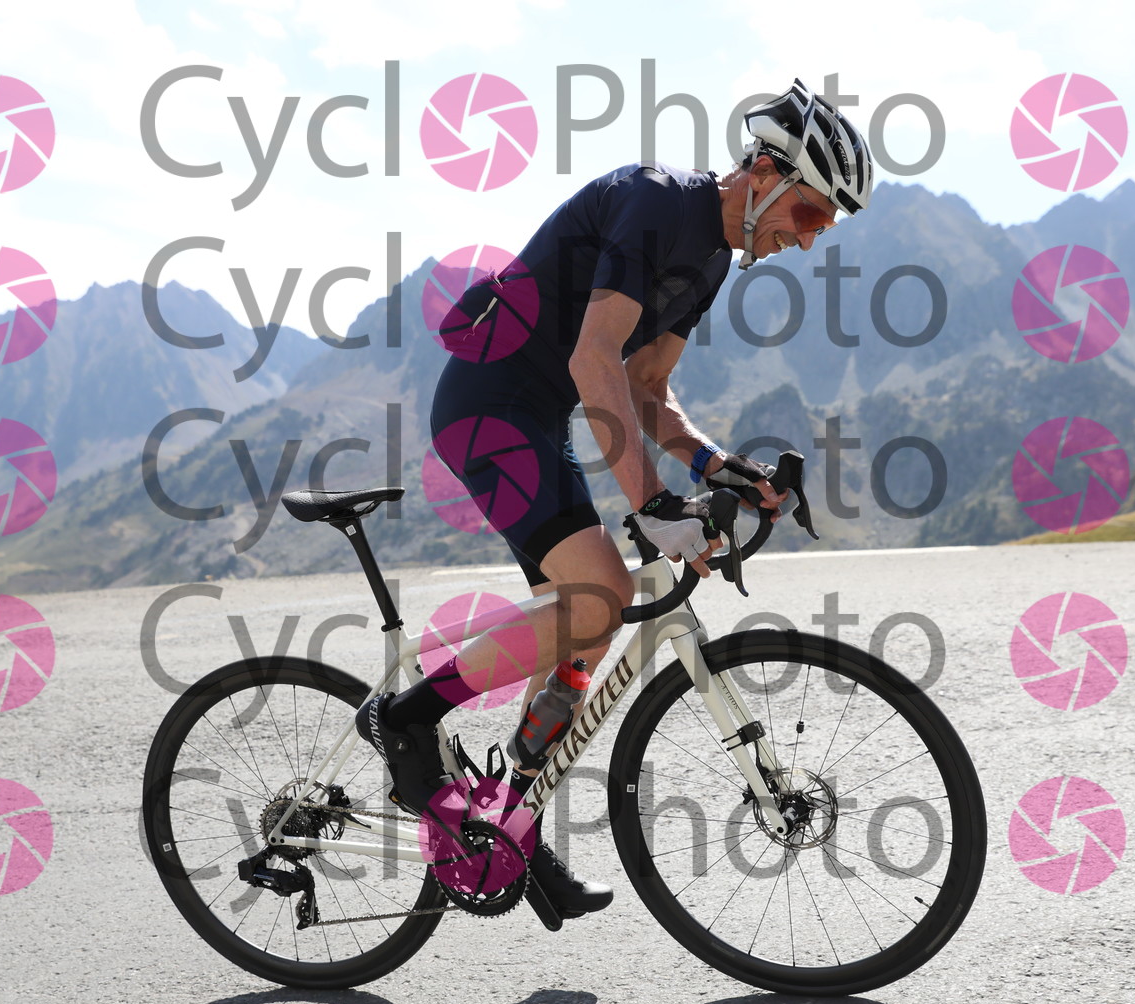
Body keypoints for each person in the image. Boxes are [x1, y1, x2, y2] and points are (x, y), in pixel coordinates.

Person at [358, 80, 874, 918]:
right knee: (601, 592)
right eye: (811, 213)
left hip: (539, 420)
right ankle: (408, 718)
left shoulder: (711, 260)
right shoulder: (654, 202)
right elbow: (594, 359)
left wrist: (722, 469)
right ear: (766, 174)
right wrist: (653, 504)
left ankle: (508, 825)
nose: (809, 238)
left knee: (584, 630)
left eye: (825, 227)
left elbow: (648, 389)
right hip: (486, 408)